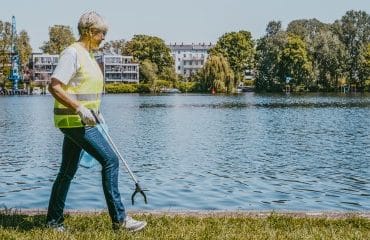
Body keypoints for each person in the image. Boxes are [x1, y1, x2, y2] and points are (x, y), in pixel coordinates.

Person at [46, 11, 146, 232]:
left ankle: (53, 221)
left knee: (67, 171)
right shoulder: (72, 53)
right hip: (74, 120)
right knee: (111, 161)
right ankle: (120, 221)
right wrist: (79, 108)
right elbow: (54, 86)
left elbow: (84, 90)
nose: (104, 37)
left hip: (83, 120)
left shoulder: (89, 55)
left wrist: (95, 111)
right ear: (90, 32)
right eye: (102, 33)